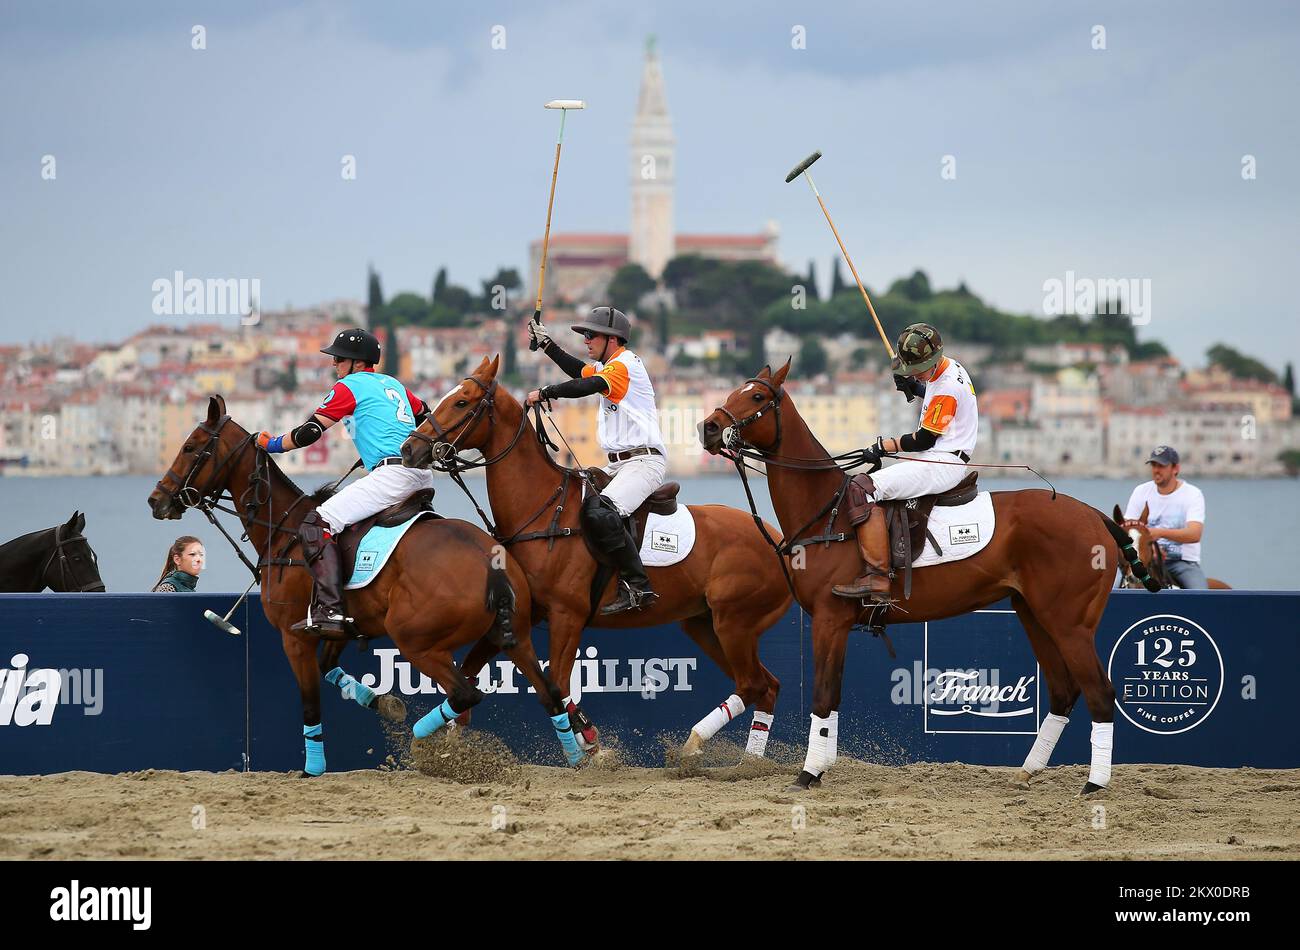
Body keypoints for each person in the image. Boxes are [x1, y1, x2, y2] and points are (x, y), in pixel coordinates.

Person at [256, 328, 434, 636]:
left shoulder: (349, 386)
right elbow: (426, 416)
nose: (334, 364)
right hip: (421, 475)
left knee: (316, 523)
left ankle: (331, 610)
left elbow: (310, 432)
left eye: (338, 358)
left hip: (391, 477)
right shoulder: (395, 384)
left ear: (354, 363)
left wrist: (270, 444)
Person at [526, 307, 666, 614]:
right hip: (617, 464)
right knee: (571, 499)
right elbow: (580, 372)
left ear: (612, 339)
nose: (586, 341)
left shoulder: (624, 366)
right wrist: (548, 345)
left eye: (591, 335)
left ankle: (638, 586)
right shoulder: (610, 366)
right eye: (585, 335)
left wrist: (546, 392)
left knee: (601, 513)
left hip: (643, 464)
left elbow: (587, 386)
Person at [833, 323, 978, 603]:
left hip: (941, 462)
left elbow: (923, 440)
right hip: (942, 456)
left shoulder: (947, 387)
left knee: (861, 488)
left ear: (931, 361)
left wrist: (883, 446)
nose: (913, 374)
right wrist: (917, 387)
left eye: (916, 370)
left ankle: (876, 577)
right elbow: (937, 398)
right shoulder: (951, 367)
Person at [1124, 445, 1208, 589]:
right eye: (1153, 465)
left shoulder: (1192, 494)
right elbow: (1127, 529)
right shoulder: (1141, 491)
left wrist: (1159, 533)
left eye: (1161, 465)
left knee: (1202, 597)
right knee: (1110, 591)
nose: (1156, 470)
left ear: (1175, 468)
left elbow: (1194, 534)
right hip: (1143, 560)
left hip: (1181, 562)